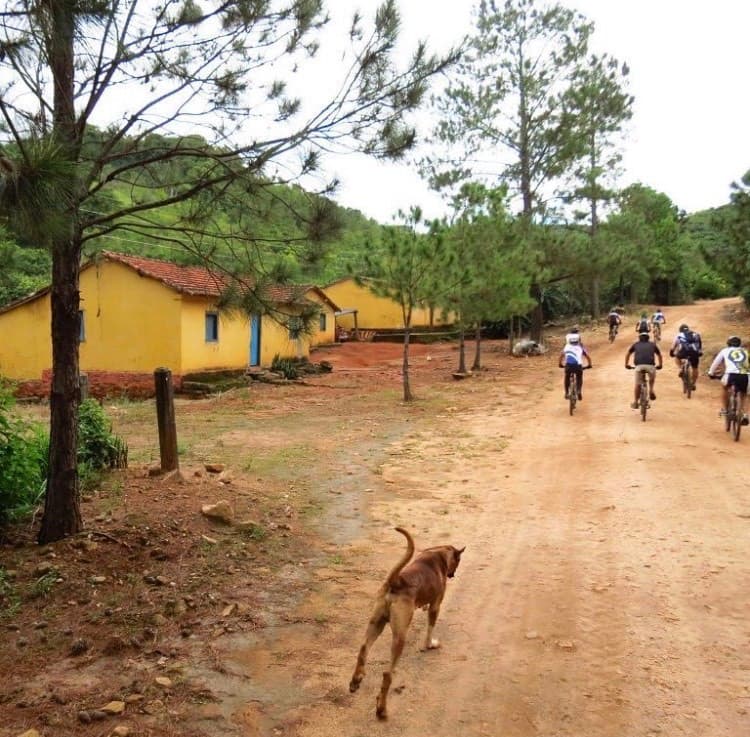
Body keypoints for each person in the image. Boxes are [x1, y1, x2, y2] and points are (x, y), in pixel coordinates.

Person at [707, 336, 750, 424]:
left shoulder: (725, 351)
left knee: (724, 388)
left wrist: (711, 373)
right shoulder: (745, 352)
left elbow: (716, 362)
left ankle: (726, 410)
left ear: (728, 343)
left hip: (730, 375)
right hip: (745, 376)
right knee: (744, 395)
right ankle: (745, 415)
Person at [625, 332, 663, 408]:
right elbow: (659, 355)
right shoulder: (653, 344)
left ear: (639, 338)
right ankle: (651, 389)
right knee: (651, 379)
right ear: (648, 338)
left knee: (637, 384)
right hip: (650, 366)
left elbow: (628, 354)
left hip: (639, 366)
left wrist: (626, 364)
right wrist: (660, 365)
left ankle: (636, 402)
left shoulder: (636, 344)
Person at [559, 332, 592, 400]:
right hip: (578, 366)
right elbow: (588, 357)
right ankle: (579, 390)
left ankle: (567, 393)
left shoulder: (566, 347)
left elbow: (561, 356)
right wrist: (589, 365)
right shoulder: (580, 347)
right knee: (579, 377)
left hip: (568, 366)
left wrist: (560, 364)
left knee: (567, 377)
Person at [669, 323, 702, 390]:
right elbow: (699, 346)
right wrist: (699, 353)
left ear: (680, 330)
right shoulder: (696, 334)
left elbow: (673, 347)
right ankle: (693, 383)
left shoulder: (679, 335)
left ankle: (681, 368)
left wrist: (671, 353)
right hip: (694, 352)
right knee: (695, 368)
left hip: (683, 352)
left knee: (677, 357)